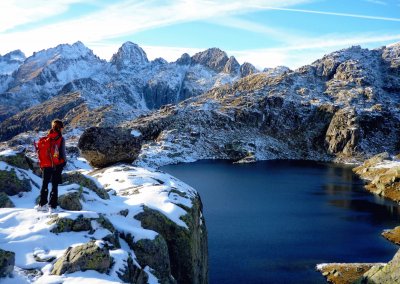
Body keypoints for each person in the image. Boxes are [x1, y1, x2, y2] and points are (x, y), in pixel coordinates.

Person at [36, 119, 67, 213]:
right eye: (62, 128)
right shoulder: (60, 138)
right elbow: (62, 153)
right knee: (54, 185)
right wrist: (64, 162)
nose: (63, 129)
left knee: (44, 184)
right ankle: (52, 207)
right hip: (57, 164)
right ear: (60, 128)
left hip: (46, 164)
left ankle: (42, 205)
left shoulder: (47, 137)